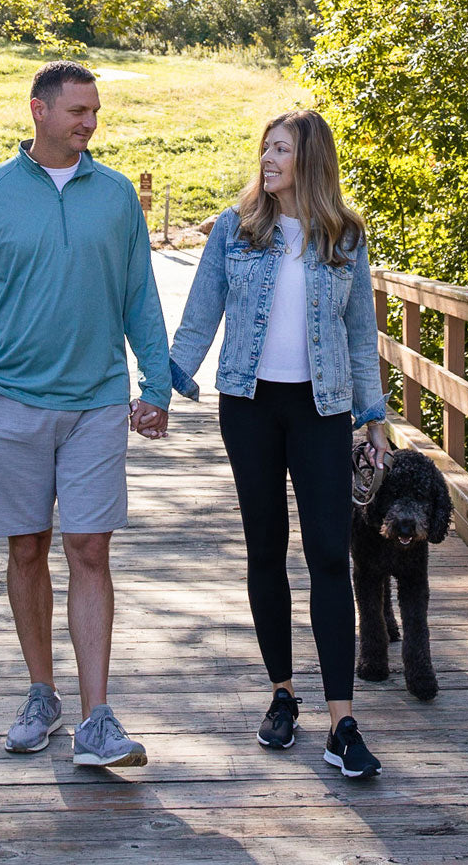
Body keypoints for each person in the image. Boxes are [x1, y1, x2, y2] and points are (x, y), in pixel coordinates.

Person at [0, 60, 170, 768]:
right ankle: (40, 692)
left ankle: (96, 718)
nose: (90, 122)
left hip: (97, 402)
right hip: (6, 402)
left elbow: (141, 295)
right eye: (77, 110)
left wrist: (155, 382)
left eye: (95, 110)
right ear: (38, 110)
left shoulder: (115, 197)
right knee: (26, 549)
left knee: (91, 550)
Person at [169, 109, 391, 778]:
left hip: (322, 409)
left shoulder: (345, 236)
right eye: (264, 147)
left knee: (328, 554)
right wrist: (167, 381)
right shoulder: (236, 230)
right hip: (250, 407)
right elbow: (202, 309)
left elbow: (359, 332)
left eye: (281, 149)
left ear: (310, 160)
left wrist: (372, 415)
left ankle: (341, 722)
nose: (267, 159)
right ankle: (281, 695)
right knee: (266, 549)